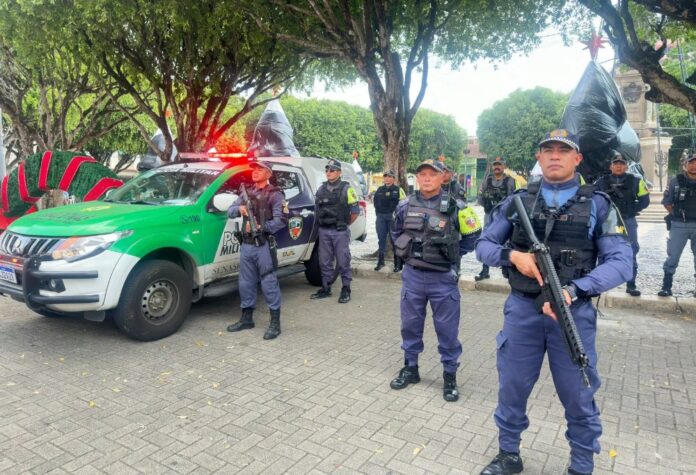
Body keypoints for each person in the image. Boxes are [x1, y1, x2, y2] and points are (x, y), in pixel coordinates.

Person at [475, 129, 632, 475]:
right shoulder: (517, 201)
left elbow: (622, 263)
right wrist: (513, 256)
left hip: (572, 313)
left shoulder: (599, 204)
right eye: (548, 150)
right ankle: (508, 455)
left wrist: (574, 289)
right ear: (539, 157)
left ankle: (580, 466)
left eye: (564, 150)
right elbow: (483, 247)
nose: (555, 156)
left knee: (578, 394)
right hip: (523, 310)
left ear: (577, 159)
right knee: (512, 385)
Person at [389, 159, 481, 402]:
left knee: (447, 330)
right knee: (410, 325)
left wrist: (452, 254)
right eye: (422, 174)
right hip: (413, 276)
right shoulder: (404, 205)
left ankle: (449, 376)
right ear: (417, 178)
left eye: (432, 174)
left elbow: (473, 235)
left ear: (444, 177)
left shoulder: (458, 207)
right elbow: (395, 233)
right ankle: (411, 368)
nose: (427, 178)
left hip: (443, 278)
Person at [226, 161, 287, 340]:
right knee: (245, 282)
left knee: (268, 282)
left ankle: (275, 323)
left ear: (268, 173)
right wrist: (240, 209)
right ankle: (247, 319)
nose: (255, 172)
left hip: (263, 245)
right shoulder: (247, 192)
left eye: (260, 169)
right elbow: (230, 211)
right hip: (246, 245)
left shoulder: (275, 195)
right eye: (254, 169)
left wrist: (262, 227)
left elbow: (281, 220)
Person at [594, 153, 650, 296]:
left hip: (628, 220)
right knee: (602, 251)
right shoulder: (600, 182)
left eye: (621, 163)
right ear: (611, 166)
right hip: (607, 221)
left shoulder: (636, 181)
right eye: (616, 163)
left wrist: (632, 210)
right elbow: (593, 199)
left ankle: (631, 284)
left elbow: (645, 201)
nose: (618, 166)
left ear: (626, 166)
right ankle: (601, 282)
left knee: (631, 250)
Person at [310, 158, 360, 303]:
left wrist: (344, 224)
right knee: (324, 261)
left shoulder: (347, 188)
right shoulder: (321, 188)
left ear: (339, 172)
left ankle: (346, 288)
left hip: (339, 231)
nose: (328, 173)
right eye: (327, 170)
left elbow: (355, 211)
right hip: (324, 231)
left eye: (332, 170)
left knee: (343, 260)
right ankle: (326, 288)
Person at [658, 153, 696, 297]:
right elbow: (667, 202)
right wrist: (677, 214)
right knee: (673, 256)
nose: (694, 165)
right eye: (691, 162)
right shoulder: (676, 180)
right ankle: (666, 286)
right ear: (685, 165)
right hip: (679, 224)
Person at [476, 157, 517, 281]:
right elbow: (480, 198)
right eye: (495, 165)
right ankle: (485, 270)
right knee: (487, 240)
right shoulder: (486, 181)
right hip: (489, 215)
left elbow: (515, 199)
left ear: (504, 166)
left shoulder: (511, 181)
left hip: (505, 216)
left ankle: (508, 270)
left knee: (508, 241)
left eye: (499, 164)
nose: (497, 167)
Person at [373, 170, 406, 272]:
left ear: (393, 178)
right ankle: (380, 262)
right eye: (385, 177)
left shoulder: (398, 190)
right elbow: (375, 202)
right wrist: (378, 214)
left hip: (393, 218)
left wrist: (399, 217)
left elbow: (404, 204)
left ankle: (398, 264)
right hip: (381, 218)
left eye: (389, 177)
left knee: (395, 241)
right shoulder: (379, 189)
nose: (387, 179)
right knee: (381, 240)